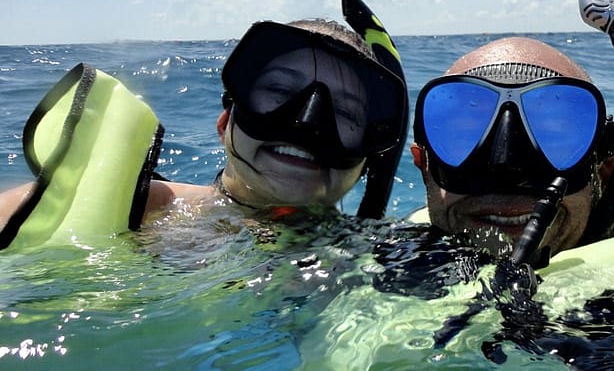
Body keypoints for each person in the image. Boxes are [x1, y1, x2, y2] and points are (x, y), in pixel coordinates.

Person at [0, 16, 408, 249]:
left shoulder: (381, 255)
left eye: (347, 113)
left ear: (369, 159)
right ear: (224, 123)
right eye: (280, 92)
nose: (306, 124)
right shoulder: (142, 211)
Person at [408, 36, 614, 261]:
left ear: (604, 171)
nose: (506, 167)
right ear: (423, 163)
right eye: (466, 135)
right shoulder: (383, 260)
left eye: (550, 136)